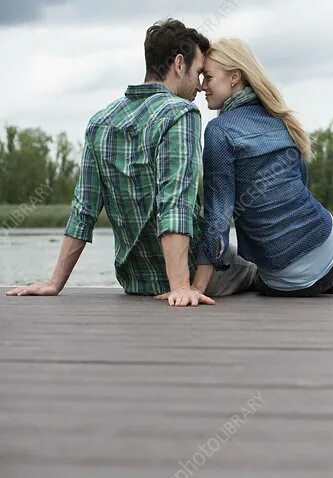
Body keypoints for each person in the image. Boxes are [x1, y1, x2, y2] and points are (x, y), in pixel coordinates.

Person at [6, 19, 256, 307]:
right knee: (254, 266)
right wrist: (180, 286)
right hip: (186, 277)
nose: (200, 87)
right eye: (198, 72)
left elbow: (83, 209)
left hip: (134, 281)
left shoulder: (100, 121)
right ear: (178, 64)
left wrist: (54, 282)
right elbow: (174, 204)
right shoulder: (180, 114)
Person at [190, 38, 333, 297]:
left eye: (207, 77)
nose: (202, 86)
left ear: (234, 77)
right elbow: (300, 181)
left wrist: (197, 287)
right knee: (316, 270)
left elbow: (217, 216)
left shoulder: (219, 130)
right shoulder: (280, 119)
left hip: (286, 275)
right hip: (330, 242)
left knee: (263, 280)